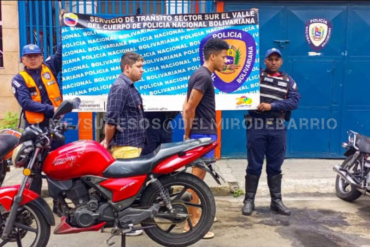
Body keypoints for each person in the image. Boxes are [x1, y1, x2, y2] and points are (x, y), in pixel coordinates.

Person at [241, 48, 300, 216]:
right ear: (264, 61)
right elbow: (240, 92)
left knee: (275, 165)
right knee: (254, 165)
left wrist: (271, 106)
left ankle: (276, 201)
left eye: (277, 59)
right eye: (270, 59)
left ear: (281, 62)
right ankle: (248, 201)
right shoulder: (254, 78)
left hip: (277, 127)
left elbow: (294, 102)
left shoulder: (289, 80)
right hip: (257, 126)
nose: (274, 62)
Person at [183, 38, 229, 239]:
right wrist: (188, 134)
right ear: (213, 56)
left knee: (198, 178)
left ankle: (198, 213)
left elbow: (188, 105)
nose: (225, 61)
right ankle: (191, 222)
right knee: (196, 179)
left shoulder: (200, 75)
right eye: (224, 56)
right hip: (201, 134)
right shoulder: (204, 77)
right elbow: (189, 107)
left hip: (203, 132)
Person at [11, 41, 63, 216]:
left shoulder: (50, 68)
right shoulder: (19, 79)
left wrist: (69, 26)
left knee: (56, 167)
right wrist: (51, 110)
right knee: (33, 169)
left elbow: (61, 52)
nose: (33, 59)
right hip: (35, 130)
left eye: (36, 56)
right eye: (29, 57)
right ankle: (34, 210)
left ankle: (59, 205)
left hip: (55, 127)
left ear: (41, 57)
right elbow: (25, 102)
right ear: (23, 59)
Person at [101, 52, 145, 236]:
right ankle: (123, 226)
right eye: (139, 67)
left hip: (132, 144)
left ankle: (121, 223)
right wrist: (107, 142)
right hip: (125, 146)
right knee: (124, 189)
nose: (142, 71)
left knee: (128, 188)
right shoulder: (120, 87)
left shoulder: (130, 87)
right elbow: (111, 120)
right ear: (127, 67)